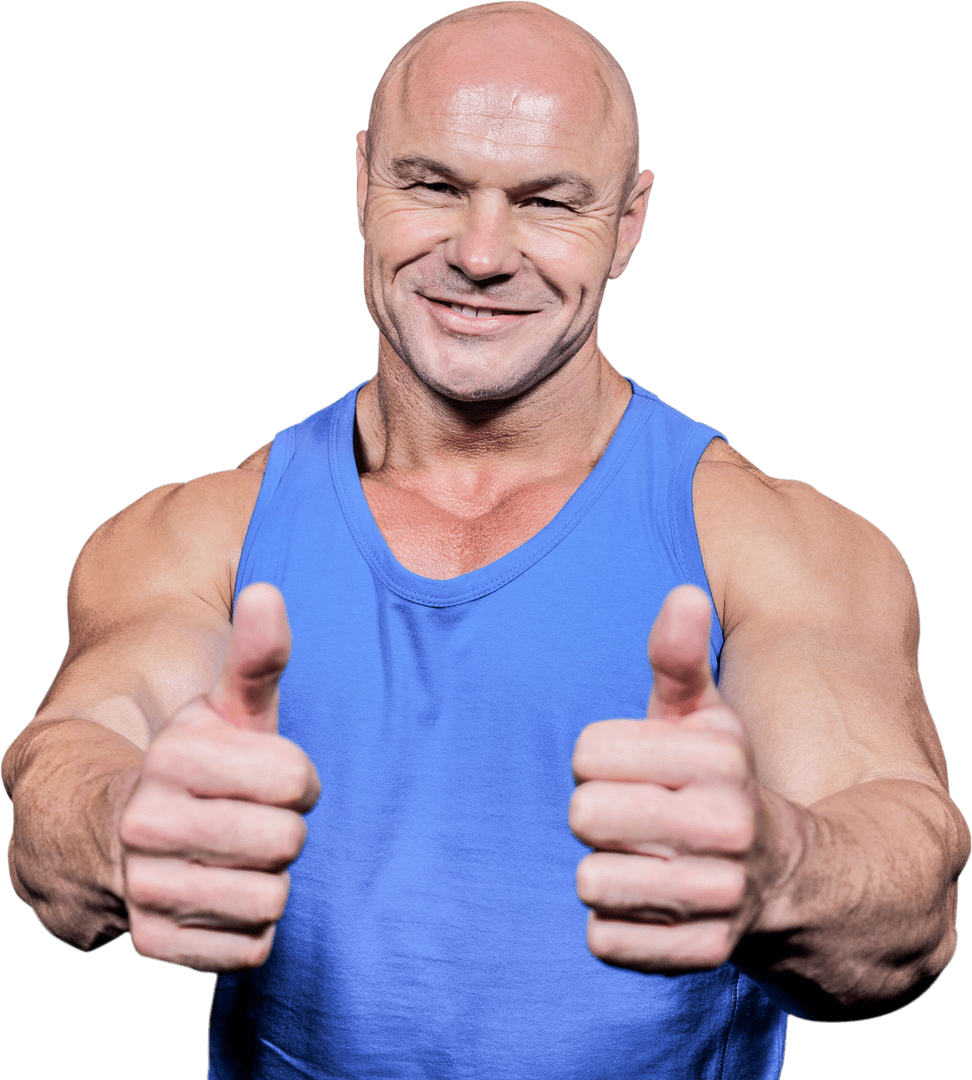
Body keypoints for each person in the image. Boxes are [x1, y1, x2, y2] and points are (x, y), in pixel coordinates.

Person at [2, 2, 968, 1077]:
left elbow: (906, 881)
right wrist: (125, 818)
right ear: (363, 180)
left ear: (629, 224)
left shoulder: (773, 543)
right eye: (434, 185)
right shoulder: (200, 534)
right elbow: (65, 767)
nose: (481, 252)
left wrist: (777, 864)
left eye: (549, 201)